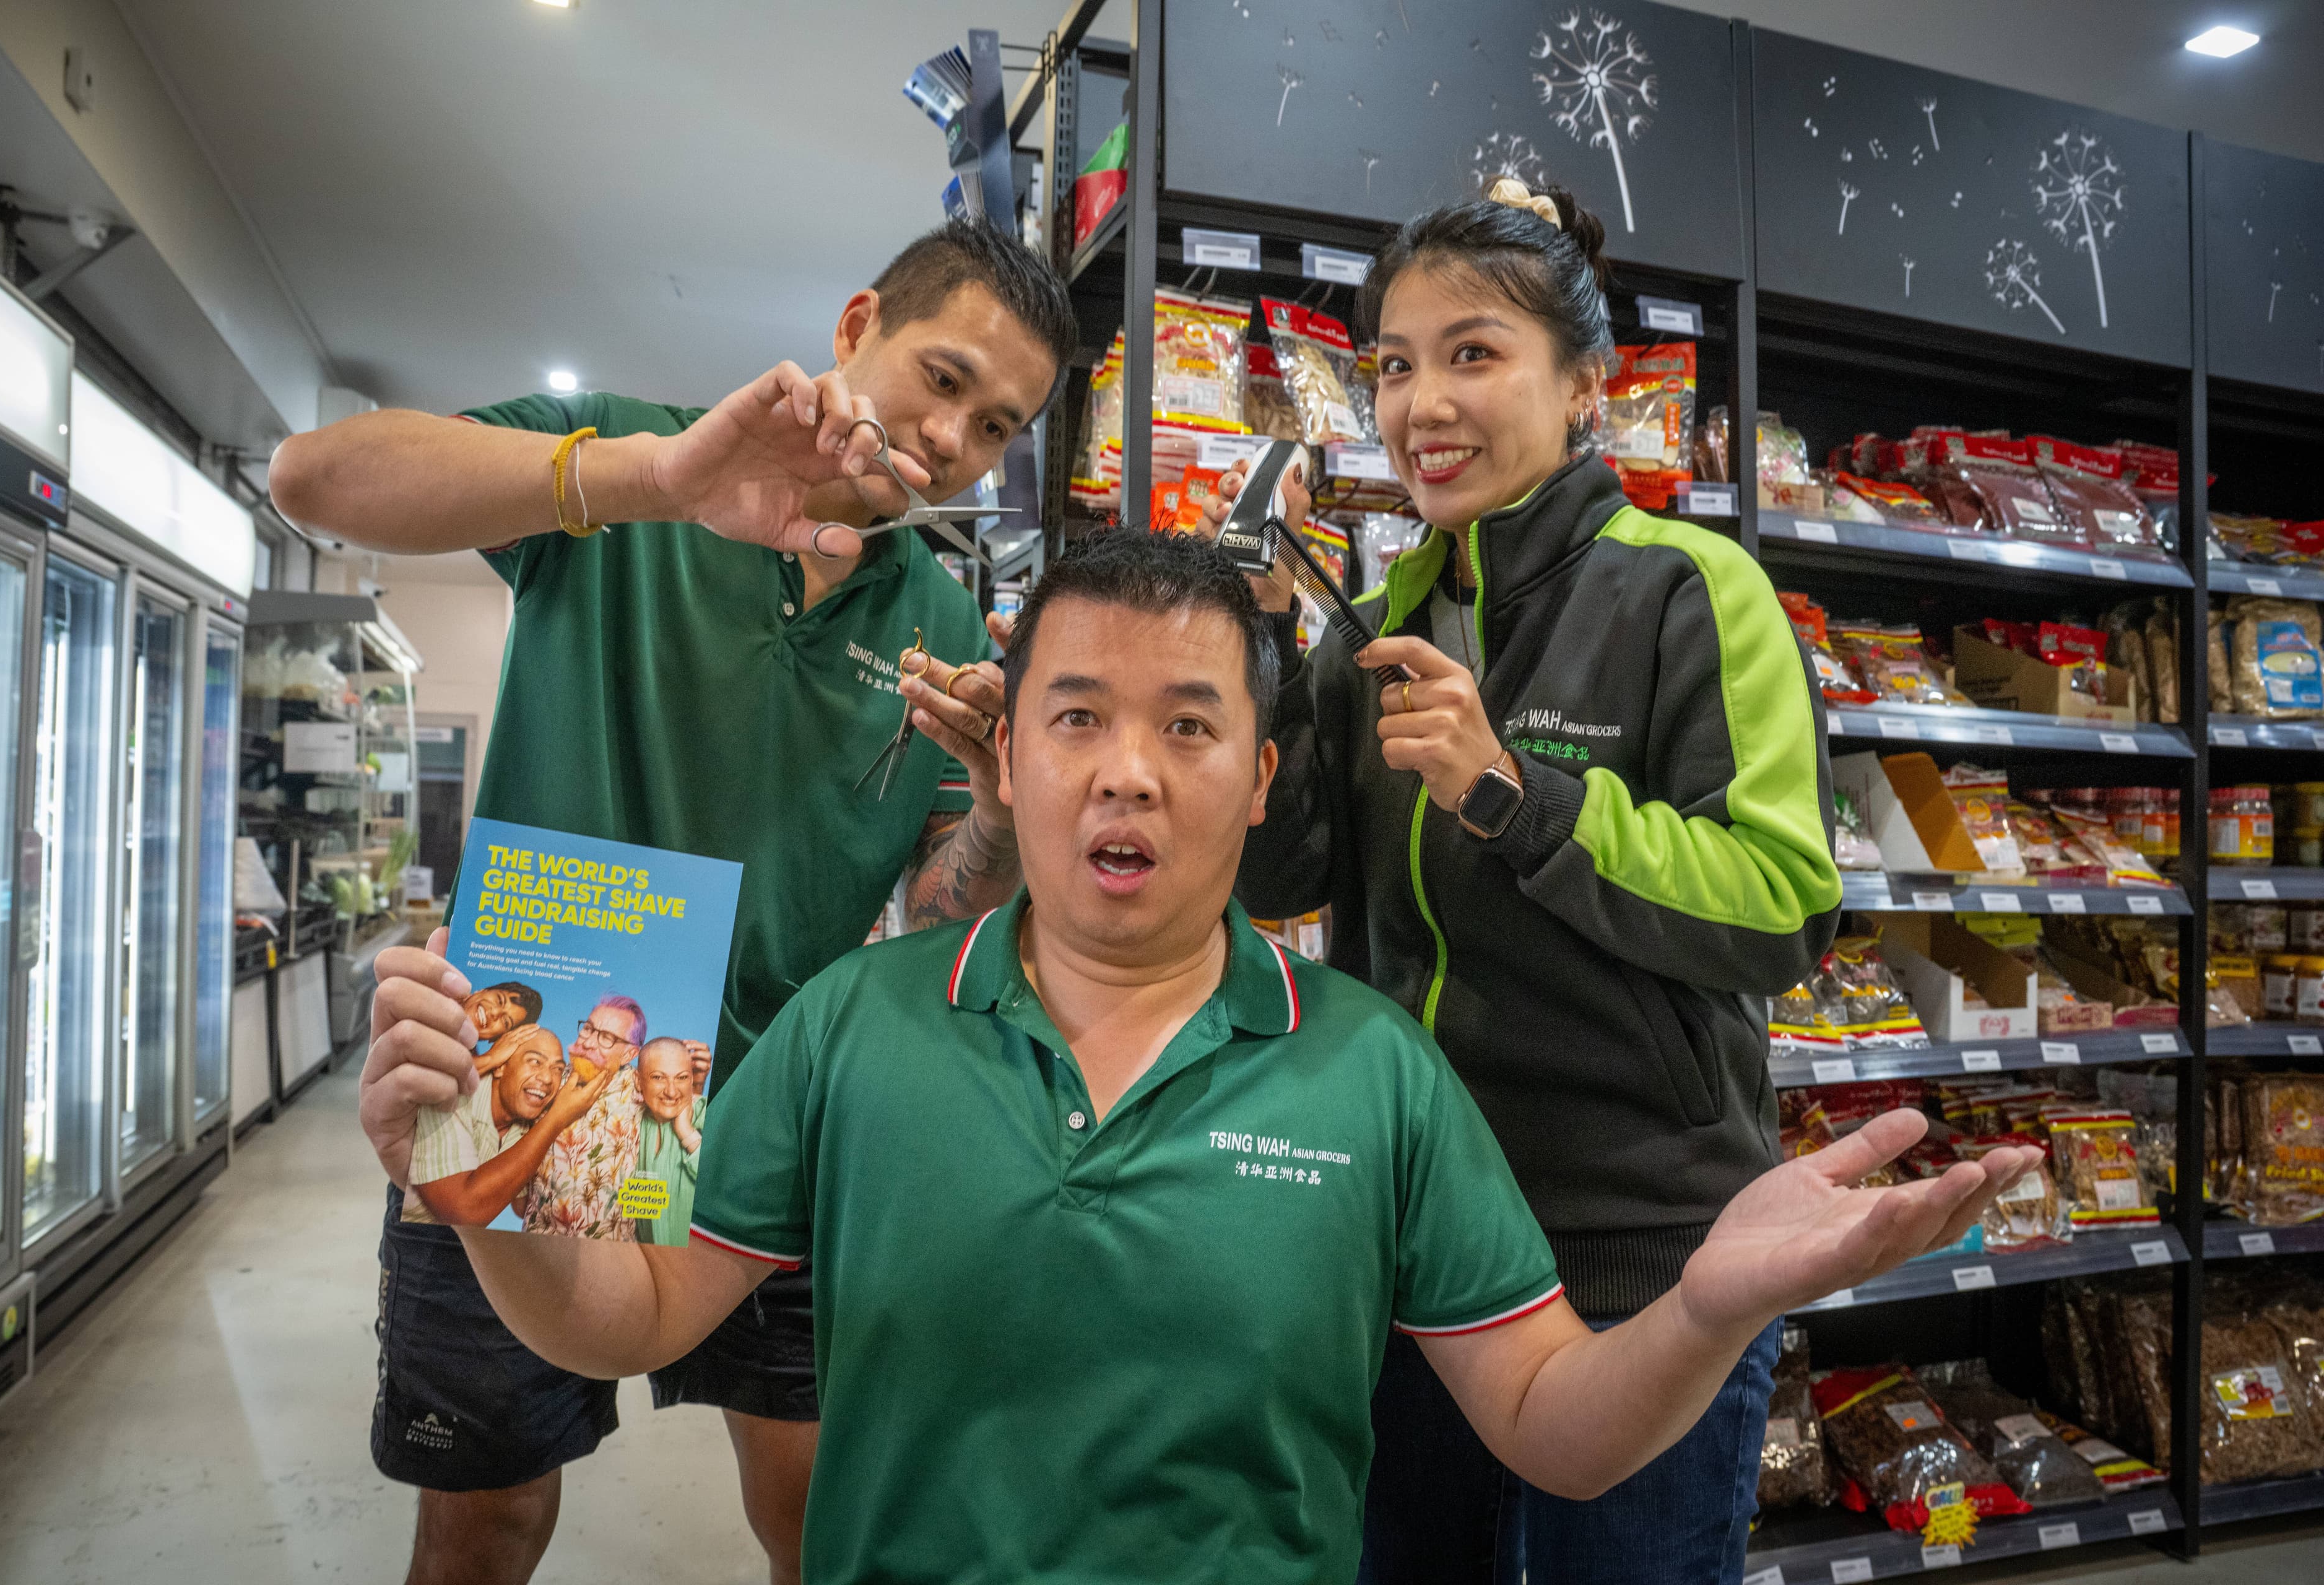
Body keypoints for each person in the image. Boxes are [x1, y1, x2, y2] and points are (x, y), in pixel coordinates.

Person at [357, 528, 2032, 1585]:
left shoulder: (1373, 1073)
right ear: (1006, 760)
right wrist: (483, 1184)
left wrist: (1710, 1303)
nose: (1128, 772)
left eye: (1188, 725)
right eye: (1077, 717)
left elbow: (1552, 1428)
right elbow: (636, 1313)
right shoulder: (849, 1027)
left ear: (1260, 780)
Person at [271, 217, 1076, 1585]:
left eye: (997, 426)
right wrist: (650, 479)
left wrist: (998, 814)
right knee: (485, 1521)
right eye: (943, 380)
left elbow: (942, 914)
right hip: (532, 1069)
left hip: (782, 1118)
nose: (954, 439)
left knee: (821, 1515)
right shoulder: (638, 460)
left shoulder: (941, 623)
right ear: (857, 326)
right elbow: (313, 478)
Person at [1217, 179, 1845, 1583]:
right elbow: (1276, 875)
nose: (1422, 403)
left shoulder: (1690, 590)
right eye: (1393, 365)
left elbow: (1782, 903)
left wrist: (1513, 795)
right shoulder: (1367, 628)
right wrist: (1257, 649)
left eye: (1473, 353)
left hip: (1641, 1266)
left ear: (1582, 388)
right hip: (1416, 1251)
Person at [404, 1028, 616, 1227]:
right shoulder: (452, 1097)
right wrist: (556, 1119)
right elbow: (463, 1212)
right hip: (413, 1241)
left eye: (557, 1069)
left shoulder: (525, 1127)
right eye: (535, 1062)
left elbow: (523, 1206)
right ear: (500, 1067)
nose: (547, 1079)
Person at [522, 996, 649, 1240]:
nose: (589, 1042)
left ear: (629, 1054)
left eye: (607, 1038)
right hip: (538, 1244)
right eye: (589, 1028)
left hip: (610, 1249)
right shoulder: (549, 1080)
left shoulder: (642, 1089)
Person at [631, 1036, 705, 1247]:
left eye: (681, 1078)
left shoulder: (708, 1112)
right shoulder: (628, 1123)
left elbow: (718, 1184)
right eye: (658, 1077)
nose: (671, 1092)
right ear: (638, 1081)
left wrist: (686, 1132)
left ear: (692, 1079)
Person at [464, 981, 542, 1077]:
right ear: (481, 991)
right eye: (500, 1000)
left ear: (496, 1039)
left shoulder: (473, 1066)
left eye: (506, 1022)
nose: (495, 1012)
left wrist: (492, 1058)